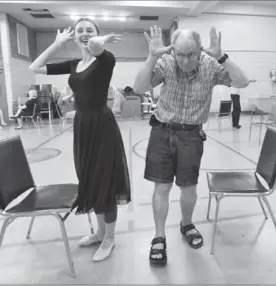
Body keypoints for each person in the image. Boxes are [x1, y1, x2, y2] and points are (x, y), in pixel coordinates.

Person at [133, 25, 250, 265]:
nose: (185, 60)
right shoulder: (165, 62)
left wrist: (222, 57)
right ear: (173, 51)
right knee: (162, 187)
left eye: (191, 54)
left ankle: (187, 224)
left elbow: (243, 82)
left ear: (200, 51)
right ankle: (159, 236)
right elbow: (139, 88)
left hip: (191, 136)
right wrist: (151, 57)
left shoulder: (210, 65)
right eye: (180, 54)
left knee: (188, 186)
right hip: (162, 132)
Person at [28, 18, 131, 262]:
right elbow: (35, 67)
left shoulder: (105, 60)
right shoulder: (74, 64)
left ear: (97, 34)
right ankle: (99, 232)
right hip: (82, 128)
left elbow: (95, 46)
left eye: (89, 30)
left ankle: (110, 237)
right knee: (90, 180)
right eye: (79, 31)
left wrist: (99, 40)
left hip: (102, 127)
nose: (84, 34)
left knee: (105, 182)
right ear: (73, 36)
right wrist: (57, 43)